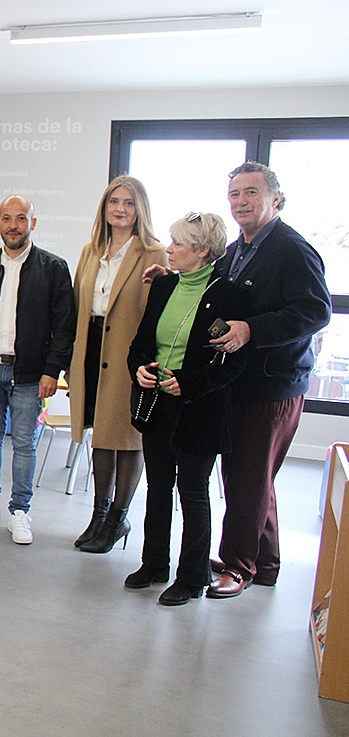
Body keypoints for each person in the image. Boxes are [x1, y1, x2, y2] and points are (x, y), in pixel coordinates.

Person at [207, 163, 331, 597]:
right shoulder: (236, 250)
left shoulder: (292, 249)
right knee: (253, 477)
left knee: (246, 478)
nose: (241, 201)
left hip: (272, 387)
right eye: (235, 194)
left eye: (251, 192)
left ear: (275, 199)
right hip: (240, 384)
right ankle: (266, 563)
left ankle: (237, 567)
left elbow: (316, 311)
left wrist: (251, 329)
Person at [125, 212, 249, 605]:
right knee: (158, 486)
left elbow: (234, 362)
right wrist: (140, 369)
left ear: (203, 251)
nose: (170, 248)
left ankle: (192, 576)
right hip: (157, 403)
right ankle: (153, 563)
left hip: (200, 408)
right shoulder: (163, 287)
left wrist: (189, 382)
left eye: (178, 243)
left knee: (193, 491)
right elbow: (142, 342)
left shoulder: (230, 295)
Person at [0, 195, 75, 544]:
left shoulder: (53, 267)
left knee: (24, 444)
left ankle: (20, 511)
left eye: (21, 218)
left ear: (33, 224)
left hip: (30, 373)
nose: (13, 225)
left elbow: (64, 325)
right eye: (7, 218)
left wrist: (52, 371)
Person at [69, 176, 167, 553]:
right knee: (101, 435)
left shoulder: (153, 252)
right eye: (114, 202)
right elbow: (80, 303)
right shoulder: (91, 250)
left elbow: (157, 310)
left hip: (131, 353)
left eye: (128, 202)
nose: (120, 209)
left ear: (139, 208)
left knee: (126, 437)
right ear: (104, 208)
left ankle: (118, 517)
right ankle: (99, 514)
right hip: (92, 348)